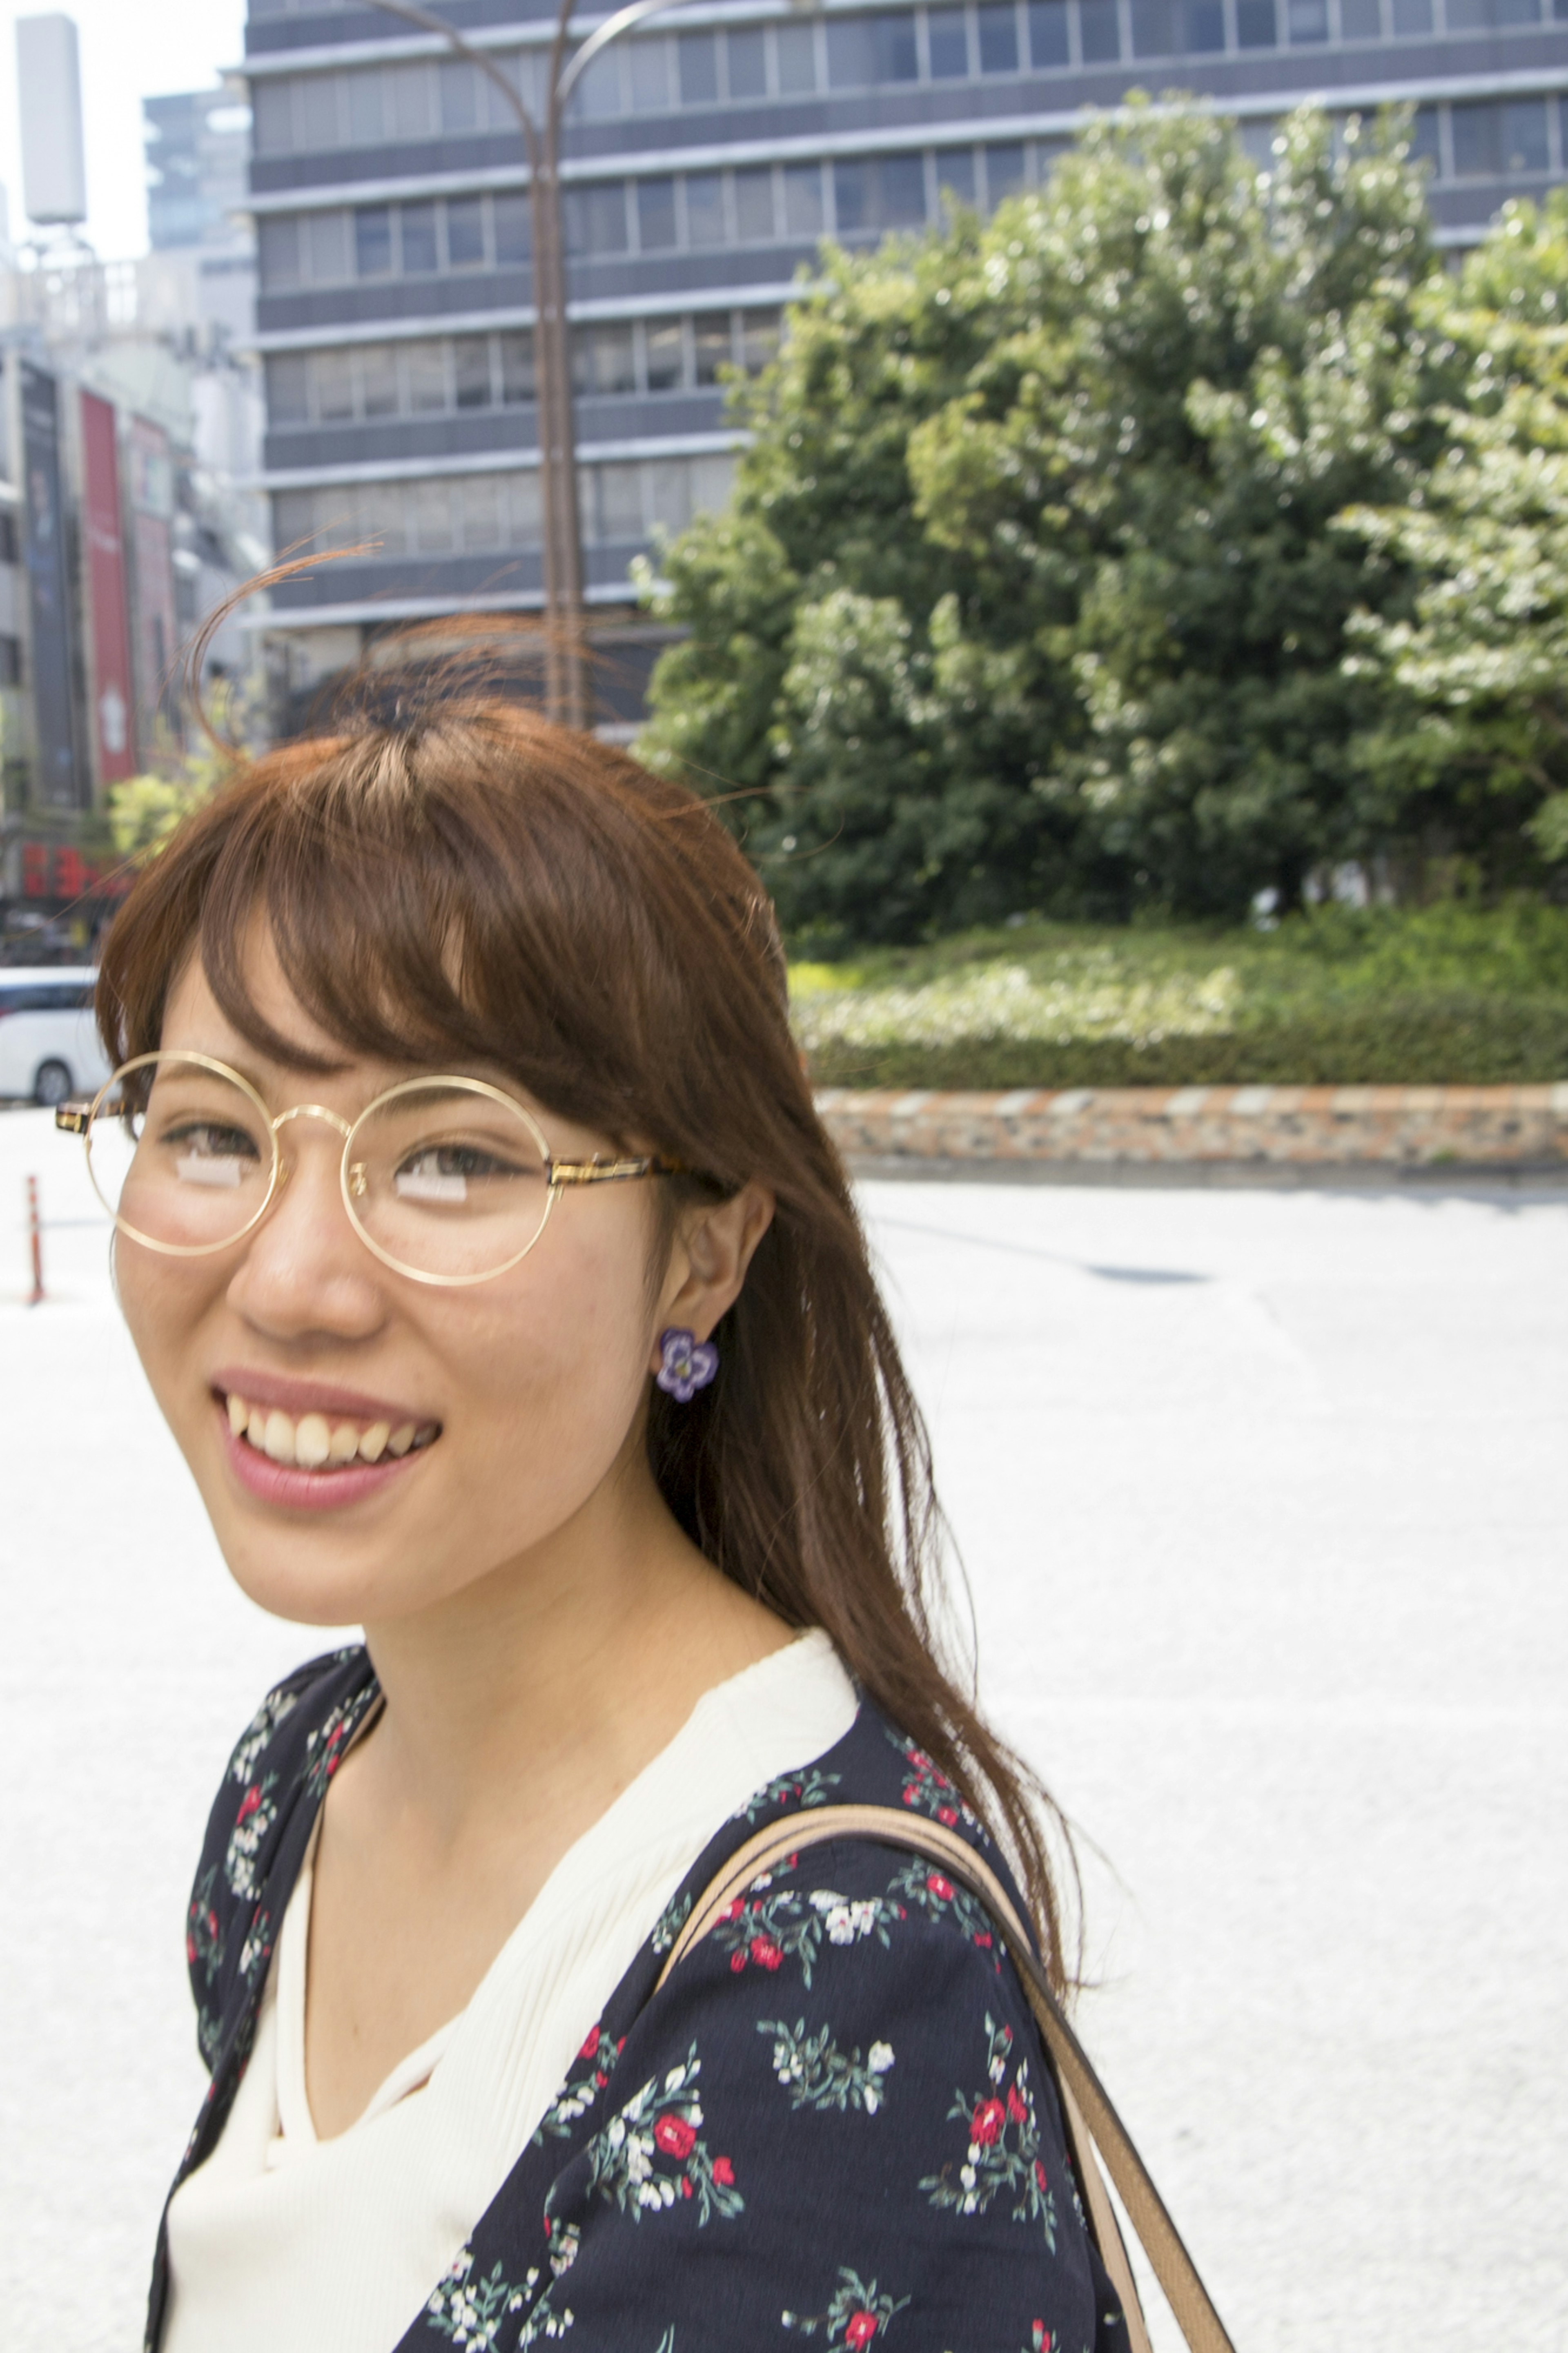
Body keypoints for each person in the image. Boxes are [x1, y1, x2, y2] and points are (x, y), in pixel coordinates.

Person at [74, 668, 1126, 2353]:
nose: (288, 1281)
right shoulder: (303, 1780)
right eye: (210, 1130)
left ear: (704, 1250)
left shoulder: (839, 1975)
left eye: (454, 1157)